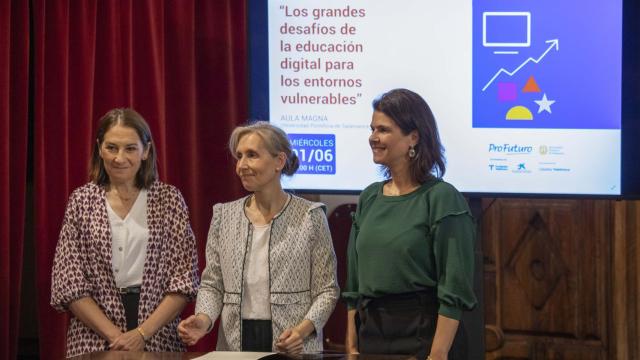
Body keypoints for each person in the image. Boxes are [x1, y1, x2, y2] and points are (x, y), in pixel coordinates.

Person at [178, 121, 339, 354]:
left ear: (279, 161)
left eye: (252, 155)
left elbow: (327, 290)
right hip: (235, 344)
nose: (241, 165)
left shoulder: (310, 216)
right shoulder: (223, 215)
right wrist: (203, 319)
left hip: (293, 345)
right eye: (239, 156)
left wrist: (301, 332)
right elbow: (213, 284)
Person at [50, 108, 199, 357]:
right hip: (93, 336)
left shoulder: (169, 199)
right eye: (111, 147)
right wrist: (116, 337)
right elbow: (69, 282)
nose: (119, 158)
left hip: (157, 334)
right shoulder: (81, 200)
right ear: (99, 148)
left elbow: (183, 280)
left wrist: (141, 334)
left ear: (146, 151)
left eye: (130, 148)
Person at [343, 89, 477, 360]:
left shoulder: (442, 198)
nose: (373, 138)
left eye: (383, 129)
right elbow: (355, 283)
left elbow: (454, 289)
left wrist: (438, 353)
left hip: (425, 336)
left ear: (413, 137)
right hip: (372, 336)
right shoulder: (370, 197)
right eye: (372, 129)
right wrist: (351, 343)